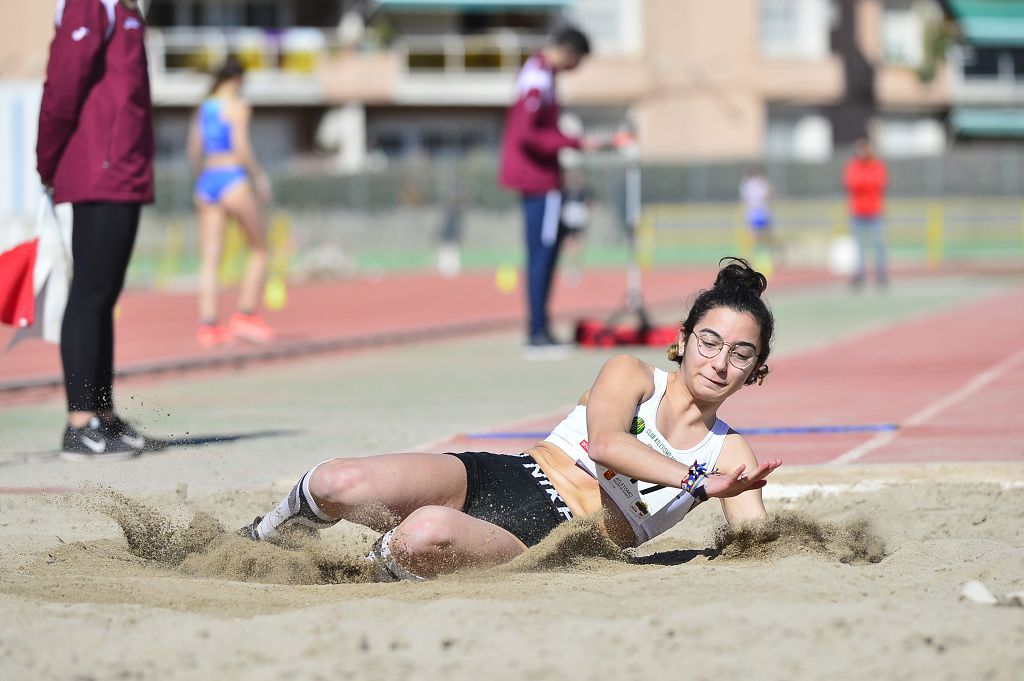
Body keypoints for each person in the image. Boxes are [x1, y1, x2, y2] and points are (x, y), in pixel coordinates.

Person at [240, 257, 783, 582]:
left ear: (755, 370)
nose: (719, 362)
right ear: (683, 341)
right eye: (709, 342)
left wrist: (779, 537)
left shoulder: (730, 456)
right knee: (338, 481)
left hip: (555, 541)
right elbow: (607, 445)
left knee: (421, 536)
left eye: (740, 353)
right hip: (509, 473)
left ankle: (364, 573)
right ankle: (256, 542)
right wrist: (693, 482)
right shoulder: (631, 373)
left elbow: (757, 543)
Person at [37, 0, 163, 460]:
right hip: (97, 170)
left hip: (124, 172)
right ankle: (79, 423)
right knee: (89, 293)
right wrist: (46, 160)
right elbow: (63, 87)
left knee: (103, 296)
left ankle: (102, 415)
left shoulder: (127, 8)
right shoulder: (89, 4)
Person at [498, 27, 603, 351]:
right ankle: (538, 331)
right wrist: (576, 142)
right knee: (542, 255)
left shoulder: (542, 76)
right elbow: (529, 134)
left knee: (544, 253)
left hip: (541, 178)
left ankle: (540, 328)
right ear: (569, 53)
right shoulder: (539, 76)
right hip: (539, 180)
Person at [187, 56, 275, 348]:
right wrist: (259, 176)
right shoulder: (238, 106)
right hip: (232, 178)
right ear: (238, 80)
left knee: (210, 259)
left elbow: (194, 150)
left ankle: (208, 326)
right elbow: (241, 147)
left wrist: (201, 180)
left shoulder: (205, 106)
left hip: (208, 180)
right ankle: (245, 314)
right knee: (260, 247)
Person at [843, 138, 888, 289]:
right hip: (858, 213)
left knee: (879, 244)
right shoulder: (853, 166)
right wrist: (865, 183)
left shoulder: (877, 165)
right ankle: (859, 275)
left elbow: (878, 183)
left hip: (875, 212)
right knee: (859, 247)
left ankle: (881, 275)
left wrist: (864, 183)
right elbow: (852, 184)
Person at [559, 167, 593, 286]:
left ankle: (577, 269)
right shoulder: (565, 191)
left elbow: (589, 203)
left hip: (578, 220)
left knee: (577, 243)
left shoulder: (583, 191)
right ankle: (568, 268)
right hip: (568, 220)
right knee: (568, 243)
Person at [739, 166, 778, 269]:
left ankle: (760, 258)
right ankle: (761, 258)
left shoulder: (749, 183)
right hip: (758, 213)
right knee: (760, 237)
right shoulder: (755, 183)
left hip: (758, 213)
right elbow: (768, 195)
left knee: (760, 237)